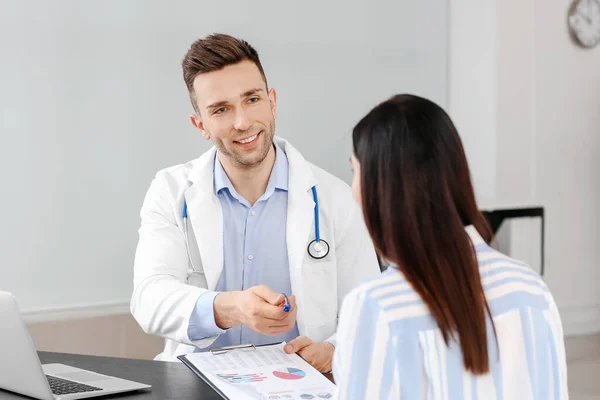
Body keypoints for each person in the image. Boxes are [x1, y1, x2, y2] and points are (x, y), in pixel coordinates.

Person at [129, 33, 381, 371]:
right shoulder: (170, 191)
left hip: (300, 387)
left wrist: (333, 352)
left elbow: (368, 314)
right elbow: (149, 300)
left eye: (251, 99)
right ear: (200, 124)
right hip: (196, 387)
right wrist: (229, 308)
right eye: (221, 109)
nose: (242, 122)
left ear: (272, 102)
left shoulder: (334, 198)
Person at [333, 94, 568, 398]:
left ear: (380, 187)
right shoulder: (532, 288)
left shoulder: (376, 305)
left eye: (355, 171)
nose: (353, 189)